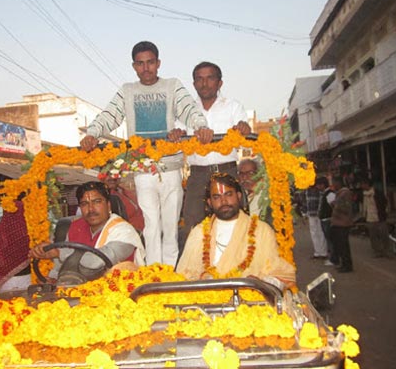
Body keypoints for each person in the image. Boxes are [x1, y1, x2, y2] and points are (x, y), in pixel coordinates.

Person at [80, 41, 213, 268]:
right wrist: (92, 134)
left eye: (150, 62)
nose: (146, 68)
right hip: (142, 169)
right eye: (140, 64)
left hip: (170, 168)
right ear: (134, 66)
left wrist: (201, 126)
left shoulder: (172, 86)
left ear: (158, 63)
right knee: (151, 226)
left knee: (170, 228)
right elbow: (109, 116)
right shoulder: (128, 91)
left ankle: (170, 275)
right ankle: (153, 275)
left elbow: (190, 109)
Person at [176, 173, 296, 290]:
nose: (223, 202)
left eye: (228, 194)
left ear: (238, 196)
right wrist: (204, 279)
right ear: (209, 203)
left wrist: (259, 283)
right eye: (217, 197)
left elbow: (280, 274)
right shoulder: (199, 232)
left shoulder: (261, 231)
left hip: (250, 303)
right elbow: (183, 276)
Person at [172, 62, 251, 239]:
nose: (204, 83)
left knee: (235, 226)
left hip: (227, 171)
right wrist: (177, 133)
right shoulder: (185, 110)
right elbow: (178, 134)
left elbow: (244, 131)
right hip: (197, 176)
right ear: (193, 84)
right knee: (193, 228)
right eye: (199, 79)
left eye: (210, 78)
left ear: (220, 83)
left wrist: (244, 128)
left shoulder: (233, 106)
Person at [30, 181, 146, 284]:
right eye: (84, 204)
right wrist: (53, 280)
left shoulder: (124, 231)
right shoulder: (74, 227)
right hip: (79, 293)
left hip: (119, 295)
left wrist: (59, 252)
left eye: (97, 202)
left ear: (108, 205)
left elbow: (96, 261)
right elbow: (60, 266)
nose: (91, 209)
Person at [237, 158, 274, 227]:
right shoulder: (238, 196)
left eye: (250, 173)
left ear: (259, 175)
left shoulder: (269, 196)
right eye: (241, 173)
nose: (244, 177)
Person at [329, 176, 355, 273]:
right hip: (338, 223)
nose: (333, 185)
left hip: (343, 224)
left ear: (338, 183)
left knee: (343, 246)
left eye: (334, 183)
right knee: (339, 245)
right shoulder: (339, 194)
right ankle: (343, 263)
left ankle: (347, 265)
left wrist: (336, 205)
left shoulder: (345, 193)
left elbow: (347, 208)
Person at [360, 177, 389, 258]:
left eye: (363, 184)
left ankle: (386, 251)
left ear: (367, 184)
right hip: (370, 218)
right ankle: (377, 251)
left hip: (379, 217)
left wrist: (384, 212)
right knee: (373, 236)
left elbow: (384, 202)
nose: (362, 186)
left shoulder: (377, 193)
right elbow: (365, 206)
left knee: (384, 235)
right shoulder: (364, 194)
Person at [316, 176, 337, 266]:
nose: (317, 187)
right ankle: (332, 257)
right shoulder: (325, 193)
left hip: (328, 219)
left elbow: (334, 206)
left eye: (318, 185)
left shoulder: (329, 194)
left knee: (331, 240)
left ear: (322, 185)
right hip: (325, 219)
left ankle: (333, 259)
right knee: (328, 239)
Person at [305, 182, 328, 259]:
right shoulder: (307, 190)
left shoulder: (319, 191)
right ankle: (317, 252)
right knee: (314, 233)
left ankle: (323, 252)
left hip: (318, 215)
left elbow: (321, 202)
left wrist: (319, 212)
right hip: (311, 214)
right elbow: (306, 202)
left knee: (320, 232)